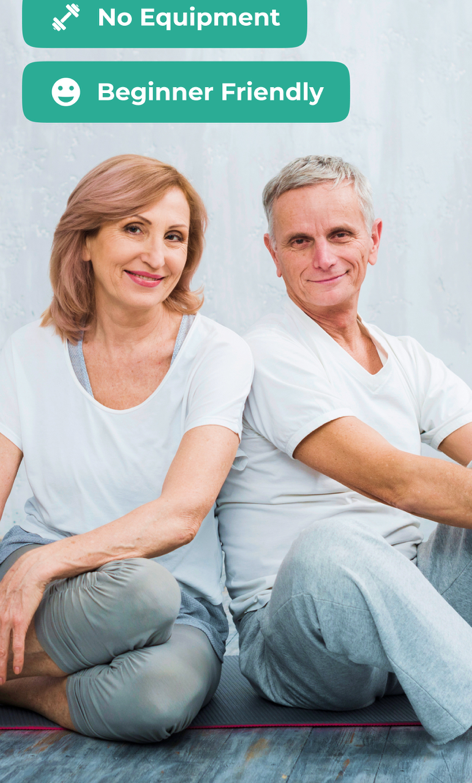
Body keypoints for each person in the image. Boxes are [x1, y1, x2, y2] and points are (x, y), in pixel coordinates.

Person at [217, 154, 472, 745]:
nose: (324, 257)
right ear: (273, 254)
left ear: (373, 241)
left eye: (339, 234)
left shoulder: (405, 355)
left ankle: (439, 663)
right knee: (334, 545)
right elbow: (396, 482)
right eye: (300, 241)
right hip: (303, 637)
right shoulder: (268, 352)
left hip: (415, 605)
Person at [0, 154, 253, 743]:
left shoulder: (219, 354)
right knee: (135, 593)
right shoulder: (28, 350)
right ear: (84, 242)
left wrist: (51, 560)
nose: (157, 256)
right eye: (133, 229)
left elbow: (182, 515)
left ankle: (19, 683)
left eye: (174, 237)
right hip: (44, 595)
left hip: (173, 604)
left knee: (154, 694)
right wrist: (35, 565)